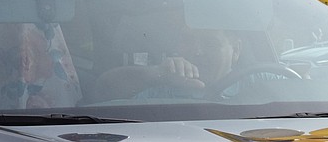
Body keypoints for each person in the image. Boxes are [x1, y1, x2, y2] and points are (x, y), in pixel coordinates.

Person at [93, 28, 242, 101]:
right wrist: (156, 74)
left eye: (211, 43)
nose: (197, 51)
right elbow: (102, 94)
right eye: (188, 40)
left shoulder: (259, 82)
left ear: (235, 50)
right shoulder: (160, 89)